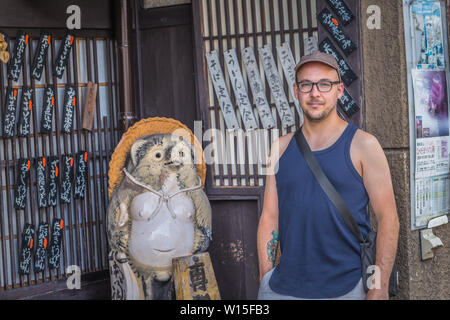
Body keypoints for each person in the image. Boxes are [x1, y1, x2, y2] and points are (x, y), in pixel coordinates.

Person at [256, 51, 399, 300]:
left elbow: (388, 219)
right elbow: (270, 217)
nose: (315, 93)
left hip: (347, 287)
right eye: (306, 85)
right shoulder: (278, 148)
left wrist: (379, 287)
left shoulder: (364, 145)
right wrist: (266, 277)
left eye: (325, 84)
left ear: (339, 90)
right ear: (296, 91)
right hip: (282, 288)